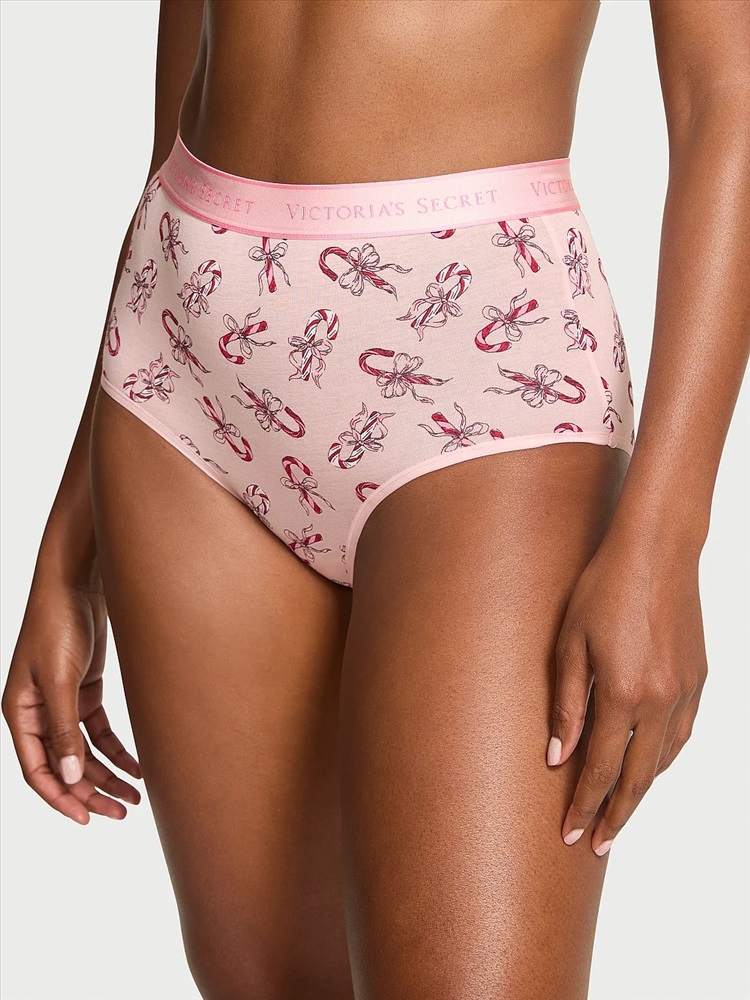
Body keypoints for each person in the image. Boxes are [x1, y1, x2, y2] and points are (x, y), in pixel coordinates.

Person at [3, 1, 749, 997]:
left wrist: (666, 543)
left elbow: (727, 93)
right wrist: (71, 537)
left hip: (483, 349)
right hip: (182, 332)